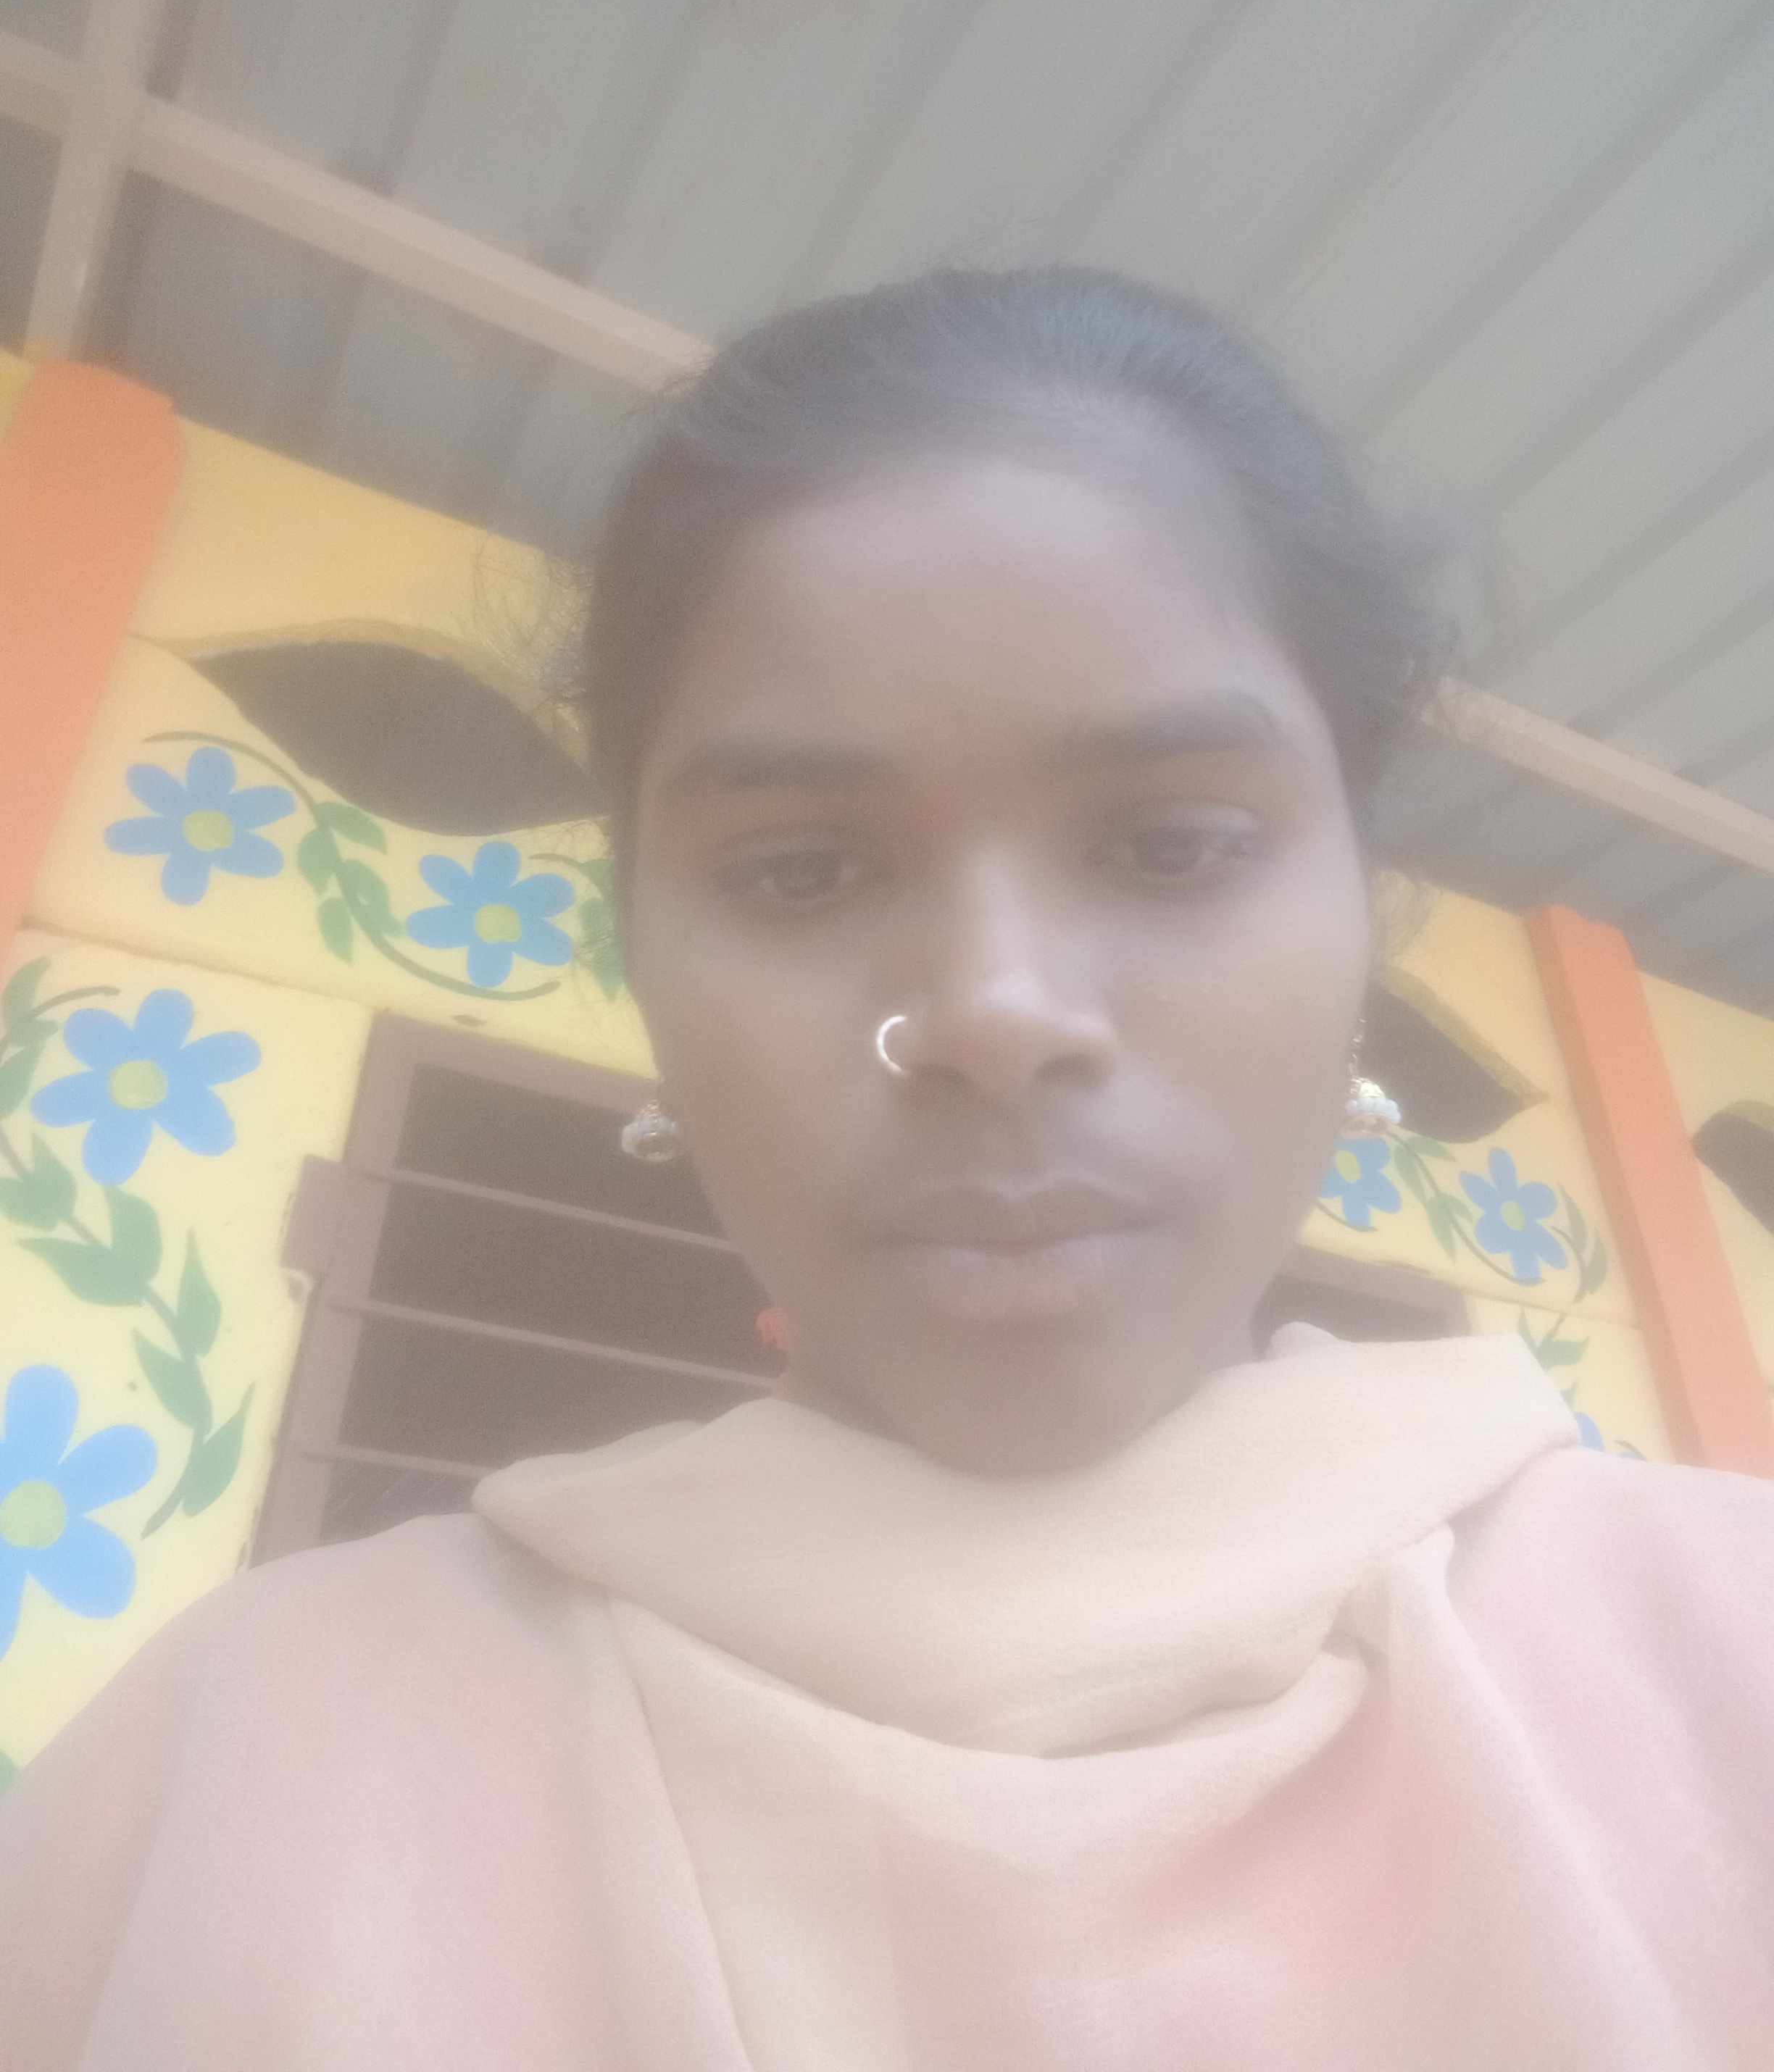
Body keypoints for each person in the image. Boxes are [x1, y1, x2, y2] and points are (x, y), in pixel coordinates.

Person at [2, 266, 1770, 2070]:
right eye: (800, 871)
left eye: (1171, 846)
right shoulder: (211, 1786)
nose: (994, 1014)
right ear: (643, 970)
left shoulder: (1736, 1652)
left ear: (1361, 919)